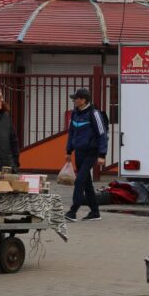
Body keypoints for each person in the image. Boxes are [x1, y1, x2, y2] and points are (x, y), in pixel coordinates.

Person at [65, 87, 107, 222]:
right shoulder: (75, 114)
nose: (74, 101)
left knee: (79, 181)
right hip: (79, 153)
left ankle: (73, 211)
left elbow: (102, 135)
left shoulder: (94, 114)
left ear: (83, 100)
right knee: (87, 183)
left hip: (91, 153)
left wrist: (102, 154)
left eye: (76, 99)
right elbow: (71, 133)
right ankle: (95, 212)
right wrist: (68, 151)